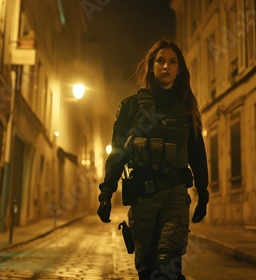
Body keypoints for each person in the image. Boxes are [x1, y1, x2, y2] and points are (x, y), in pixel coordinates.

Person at [97, 38, 209, 280]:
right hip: (143, 197)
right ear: (151, 66)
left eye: (172, 61)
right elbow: (117, 153)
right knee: (148, 271)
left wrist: (203, 194)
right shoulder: (131, 107)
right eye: (161, 61)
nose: (166, 66)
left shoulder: (186, 107)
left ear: (179, 69)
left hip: (175, 196)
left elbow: (197, 153)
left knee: (168, 262)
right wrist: (106, 193)